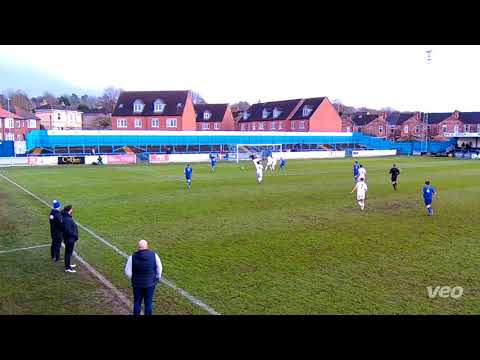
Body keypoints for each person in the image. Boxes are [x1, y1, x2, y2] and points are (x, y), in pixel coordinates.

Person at [124, 240, 162, 315]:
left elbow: (127, 271)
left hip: (137, 284)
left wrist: (133, 278)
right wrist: (157, 277)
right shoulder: (154, 255)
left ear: (138, 247)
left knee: (137, 302)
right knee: (148, 303)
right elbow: (159, 268)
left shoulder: (132, 256)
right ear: (147, 246)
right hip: (150, 284)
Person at [62, 205, 78, 273]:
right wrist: (74, 235)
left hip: (68, 238)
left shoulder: (66, 217)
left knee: (68, 252)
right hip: (70, 239)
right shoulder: (67, 219)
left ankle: (68, 265)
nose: (72, 210)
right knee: (68, 253)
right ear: (69, 210)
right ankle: (68, 268)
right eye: (71, 209)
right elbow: (68, 230)